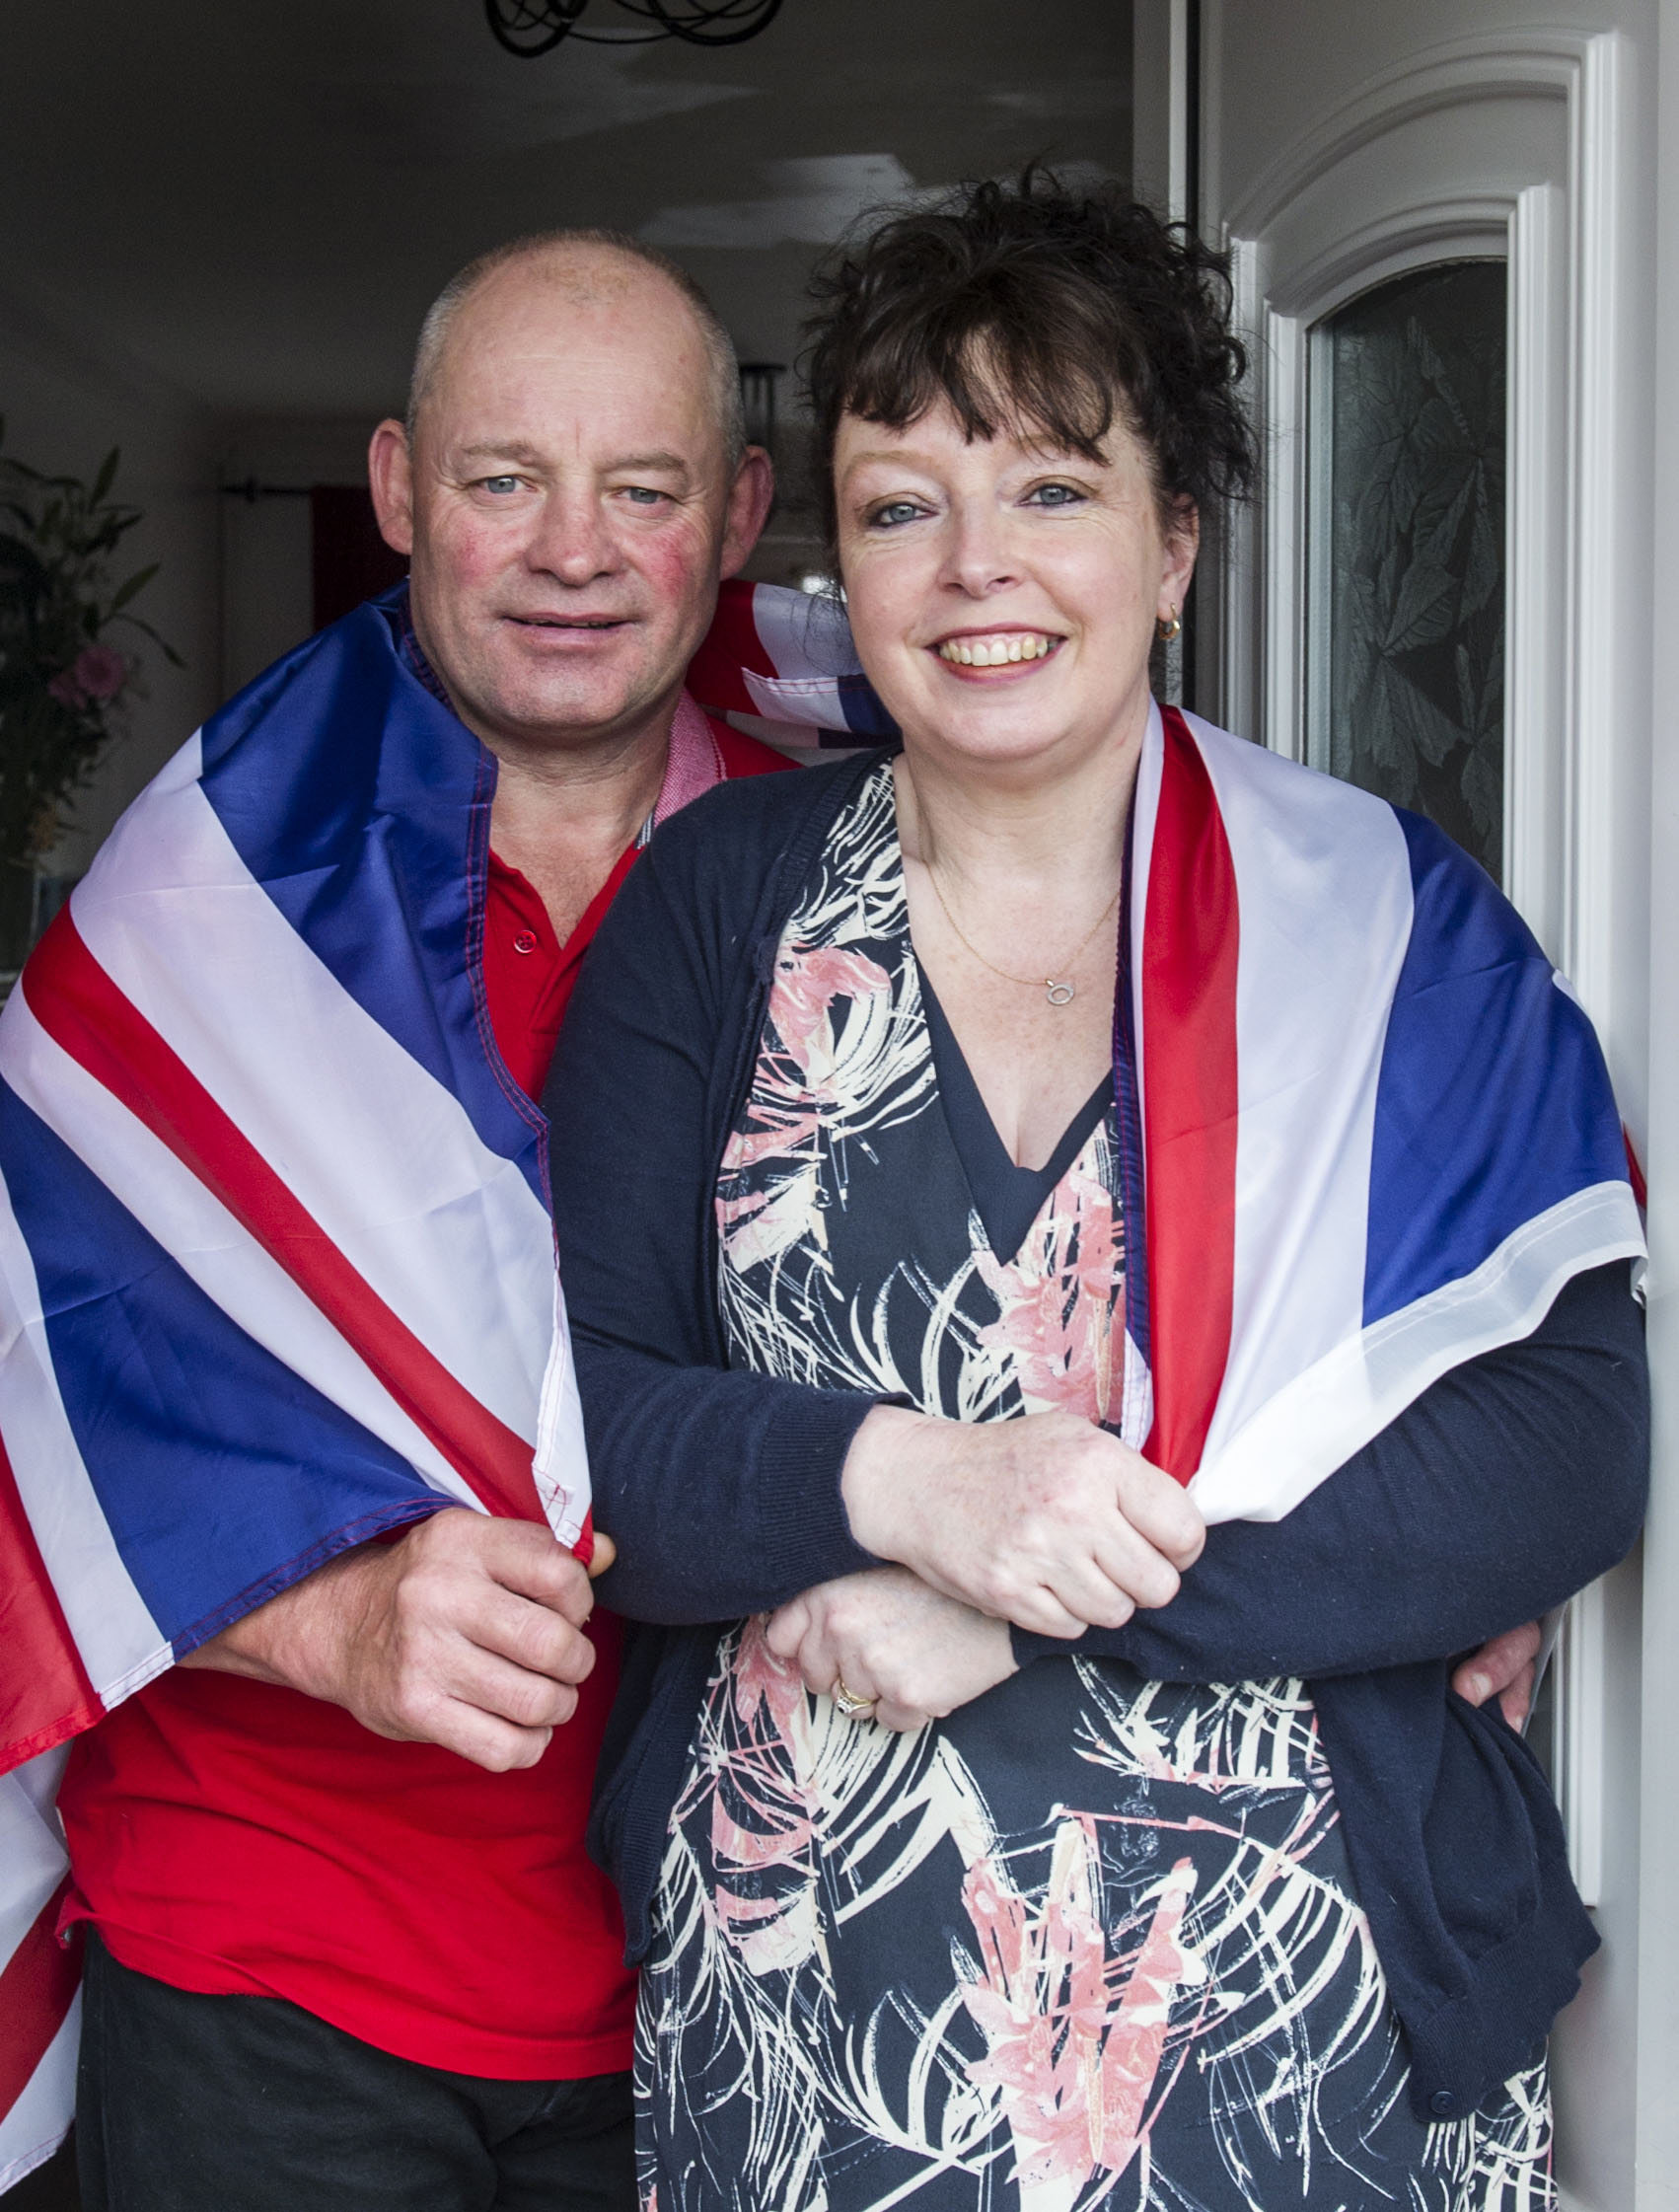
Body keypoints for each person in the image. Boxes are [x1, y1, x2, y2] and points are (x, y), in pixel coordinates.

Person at [544, 175, 1649, 2211]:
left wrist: (1024, 1607)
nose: (975, 570)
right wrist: (909, 1479)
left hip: (1311, 2047)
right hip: (814, 2042)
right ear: (838, 570)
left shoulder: (1385, 924)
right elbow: (582, 1426)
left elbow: (1562, 1442)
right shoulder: (716, 915)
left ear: (1173, 544)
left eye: (1051, 488)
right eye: (898, 506)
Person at [0, 229, 789, 2209]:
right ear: (397, 493)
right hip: (274, 1938)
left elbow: (1205, 1165)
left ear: (738, 515)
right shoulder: (186, 912)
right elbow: (25, 1404)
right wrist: (332, 1613)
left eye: (642, 485)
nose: (571, 548)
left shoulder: (852, 869)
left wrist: (1396, 1493)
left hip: (733, 1953)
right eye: (505, 474)